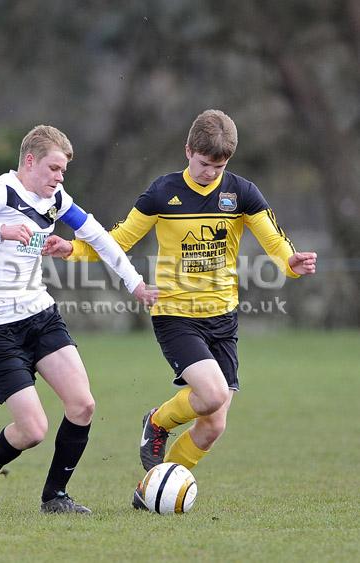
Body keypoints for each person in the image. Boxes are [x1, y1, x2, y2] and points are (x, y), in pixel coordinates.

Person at [41, 110, 317, 510]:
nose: (210, 173)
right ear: (188, 151)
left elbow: (274, 241)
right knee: (211, 393)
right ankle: (157, 422)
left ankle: (150, 490)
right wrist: (74, 249)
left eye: (219, 166)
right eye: (204, 164)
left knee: (213, 424)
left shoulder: (241, 193)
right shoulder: (162, 192)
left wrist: (290, 263)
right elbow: (119, 239)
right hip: (175, 315)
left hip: (222, 319)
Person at [0, 124, 158, 515]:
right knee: (33, 430)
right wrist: (1, 231)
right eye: (54, 168)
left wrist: (136, 284)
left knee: (82, 405)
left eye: (63, 171)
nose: (59, 178)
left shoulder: (55, 198)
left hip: (40, 316)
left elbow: (99, 238)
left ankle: (54, 497)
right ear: (30, 161)